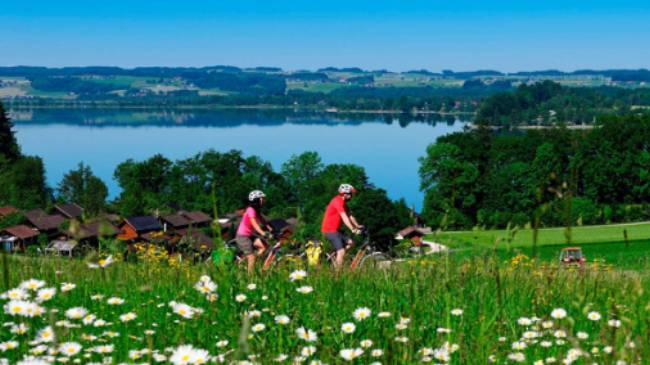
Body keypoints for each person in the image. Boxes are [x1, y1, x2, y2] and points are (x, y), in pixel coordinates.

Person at [321, 183, 364, 269]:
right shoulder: (337, 201)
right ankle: (337, 275)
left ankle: (334, 257)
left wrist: (357, 225)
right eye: (351, 194)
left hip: (336, 230)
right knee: (341, 251)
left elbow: (350, 216)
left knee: (351, 243)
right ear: (345, 194)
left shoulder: (344, 204)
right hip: (330, 230)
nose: (352, 196)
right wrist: (352, 229)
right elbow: (344, 217)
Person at [236, 190, 273, 273]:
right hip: (242, 237)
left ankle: (246, 260)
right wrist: (264, 234)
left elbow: (263, 221)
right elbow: (255, 225)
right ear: (257, 200)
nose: (264, 200)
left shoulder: (256, 210)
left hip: (249, 235)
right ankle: (250, 278)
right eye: (262, 198)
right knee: (251, 257)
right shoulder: (250, 210)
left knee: (264, 247)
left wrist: (272, 229)